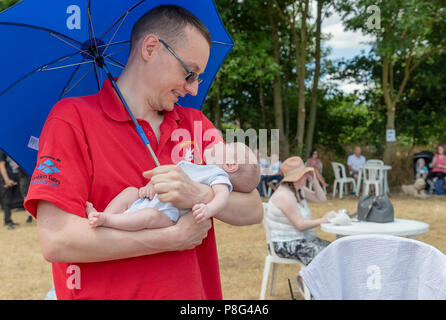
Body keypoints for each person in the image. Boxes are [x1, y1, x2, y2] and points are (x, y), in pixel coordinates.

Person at [24, 5, 262, 300]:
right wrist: (169, 238)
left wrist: (199, 195)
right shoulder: (72, 119)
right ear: (150, 48)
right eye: (189, 73)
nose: (193, 89)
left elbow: (253, 208)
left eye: (198, 77)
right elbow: (58, 240)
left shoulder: (195, 124)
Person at [87, 142, 260, 230]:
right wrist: (151, 185)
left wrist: (208, 208)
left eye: (227, 146)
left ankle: (108, 221)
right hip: (146, 200)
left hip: (164, 214)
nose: (219, 143)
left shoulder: (218, 175)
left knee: (150, 215)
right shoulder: (197, 167)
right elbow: (165, 176)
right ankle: (103, 215)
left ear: (230, 165)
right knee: (131, 192)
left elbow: (222, 197)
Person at [266, 156, 332, 266]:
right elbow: (300, 225)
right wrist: (323, 220)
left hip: (301, 239)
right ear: (297, 177)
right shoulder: (285, 195)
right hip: (284, 243)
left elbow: (321, 199)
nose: (307, 176)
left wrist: (314, 181)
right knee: (324, 255)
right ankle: (308, 281)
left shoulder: (299, 189)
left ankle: (313, 281)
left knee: (334, 249)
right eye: (305, 174)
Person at [0, 150, 22, 229]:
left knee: (13, 199)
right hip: (7, 179)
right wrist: (6, 179)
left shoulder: (13, 149)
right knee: (7, 200)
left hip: (16, 176)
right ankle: (7, 221)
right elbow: (1, 165)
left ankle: (10, 220)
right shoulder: (2, 150)